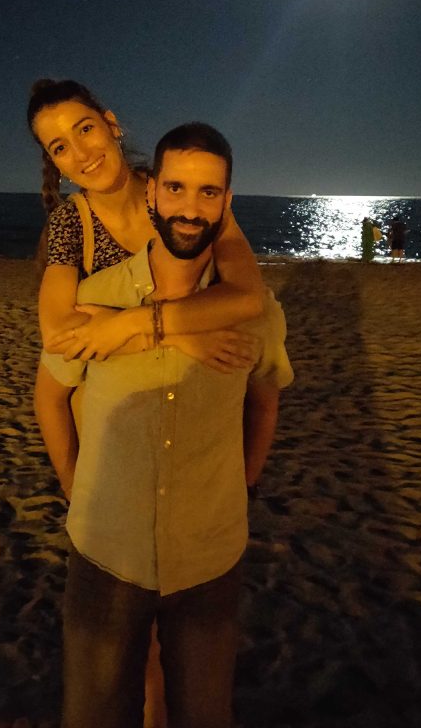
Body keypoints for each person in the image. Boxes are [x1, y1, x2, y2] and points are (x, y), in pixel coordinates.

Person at [26, 80, 272, 727]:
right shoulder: (70, 224)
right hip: (109, 438)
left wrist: (150, 328)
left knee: (170, 663)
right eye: (58, 146)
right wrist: (182, 334)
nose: (78, 151)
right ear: (51, 163)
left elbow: (248, 296)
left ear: (110, 124)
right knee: (116, 661)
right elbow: (59, 334)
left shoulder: (177, 186)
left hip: (187, 453)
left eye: (84, 129)